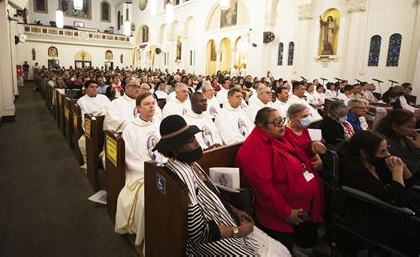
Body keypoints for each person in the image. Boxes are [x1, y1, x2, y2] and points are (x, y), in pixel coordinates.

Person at [154, 115, 290, 256]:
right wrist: (238, 231)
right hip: (211, 241)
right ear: (176, 149)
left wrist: (234, 210)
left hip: (225, 222)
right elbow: (198, 232)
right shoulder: (182, 173)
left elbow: (212, 196)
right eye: (190, 141)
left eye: (194, 138)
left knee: (280, 250)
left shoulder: (190, 163)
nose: (196, 143)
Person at [236, 108, 325, 254]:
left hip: (301, 205)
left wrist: (311, 147)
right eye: (276, 122)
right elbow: (264, 190)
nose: (282, 125)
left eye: (282, 120)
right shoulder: (253, 149)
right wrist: (287, 213)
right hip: (280, 213)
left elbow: (297, 151)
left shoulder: (279, 136)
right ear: (261, 125)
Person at [338, 131, 419, 256]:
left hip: (390, 212)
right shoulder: (354, 171)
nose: (388, 154)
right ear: (364, 153)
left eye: (387, 149)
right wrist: (397, 173)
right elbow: (397, 200)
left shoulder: (377, 162)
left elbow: (405, 184)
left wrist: (403, 169)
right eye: (382, 151)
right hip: (371, 218)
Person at [115, 93, 166, 246]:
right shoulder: (130, 129)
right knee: (148, 200)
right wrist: (151, 170)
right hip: (140, 173)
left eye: (153, 103)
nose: (152, 106)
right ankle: (149, 237)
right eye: (147, 104)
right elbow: (129, 159)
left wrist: (166, 164)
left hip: (163, 167)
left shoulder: (158, 123)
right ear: (138, 108)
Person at [375, 109, 420, 183]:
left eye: (413, 127)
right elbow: (407, 172)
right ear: (394, 126)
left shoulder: (404, 138)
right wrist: (418, 149)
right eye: (409, 127)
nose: (412, 131)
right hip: (410, 183)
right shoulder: (387, 145)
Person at [76, 80, 111, 167]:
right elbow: (85, 116)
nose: (94, 89)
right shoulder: (82, 101)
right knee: (82, 141)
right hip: (94, 126)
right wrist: (100, 113)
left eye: (96, 87)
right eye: (92, 87)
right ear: (86, 89)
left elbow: (111, 110)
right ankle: (89, 162)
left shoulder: (103, 97)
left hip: (108, 124)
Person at [284, 103, 326, 172]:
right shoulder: (285, 133)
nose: (308, 118)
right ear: (293, 118)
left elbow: (311, 146)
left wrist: (319, 160)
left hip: (311, 165)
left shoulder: (304, 129)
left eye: (308, 115)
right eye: (304, 116)